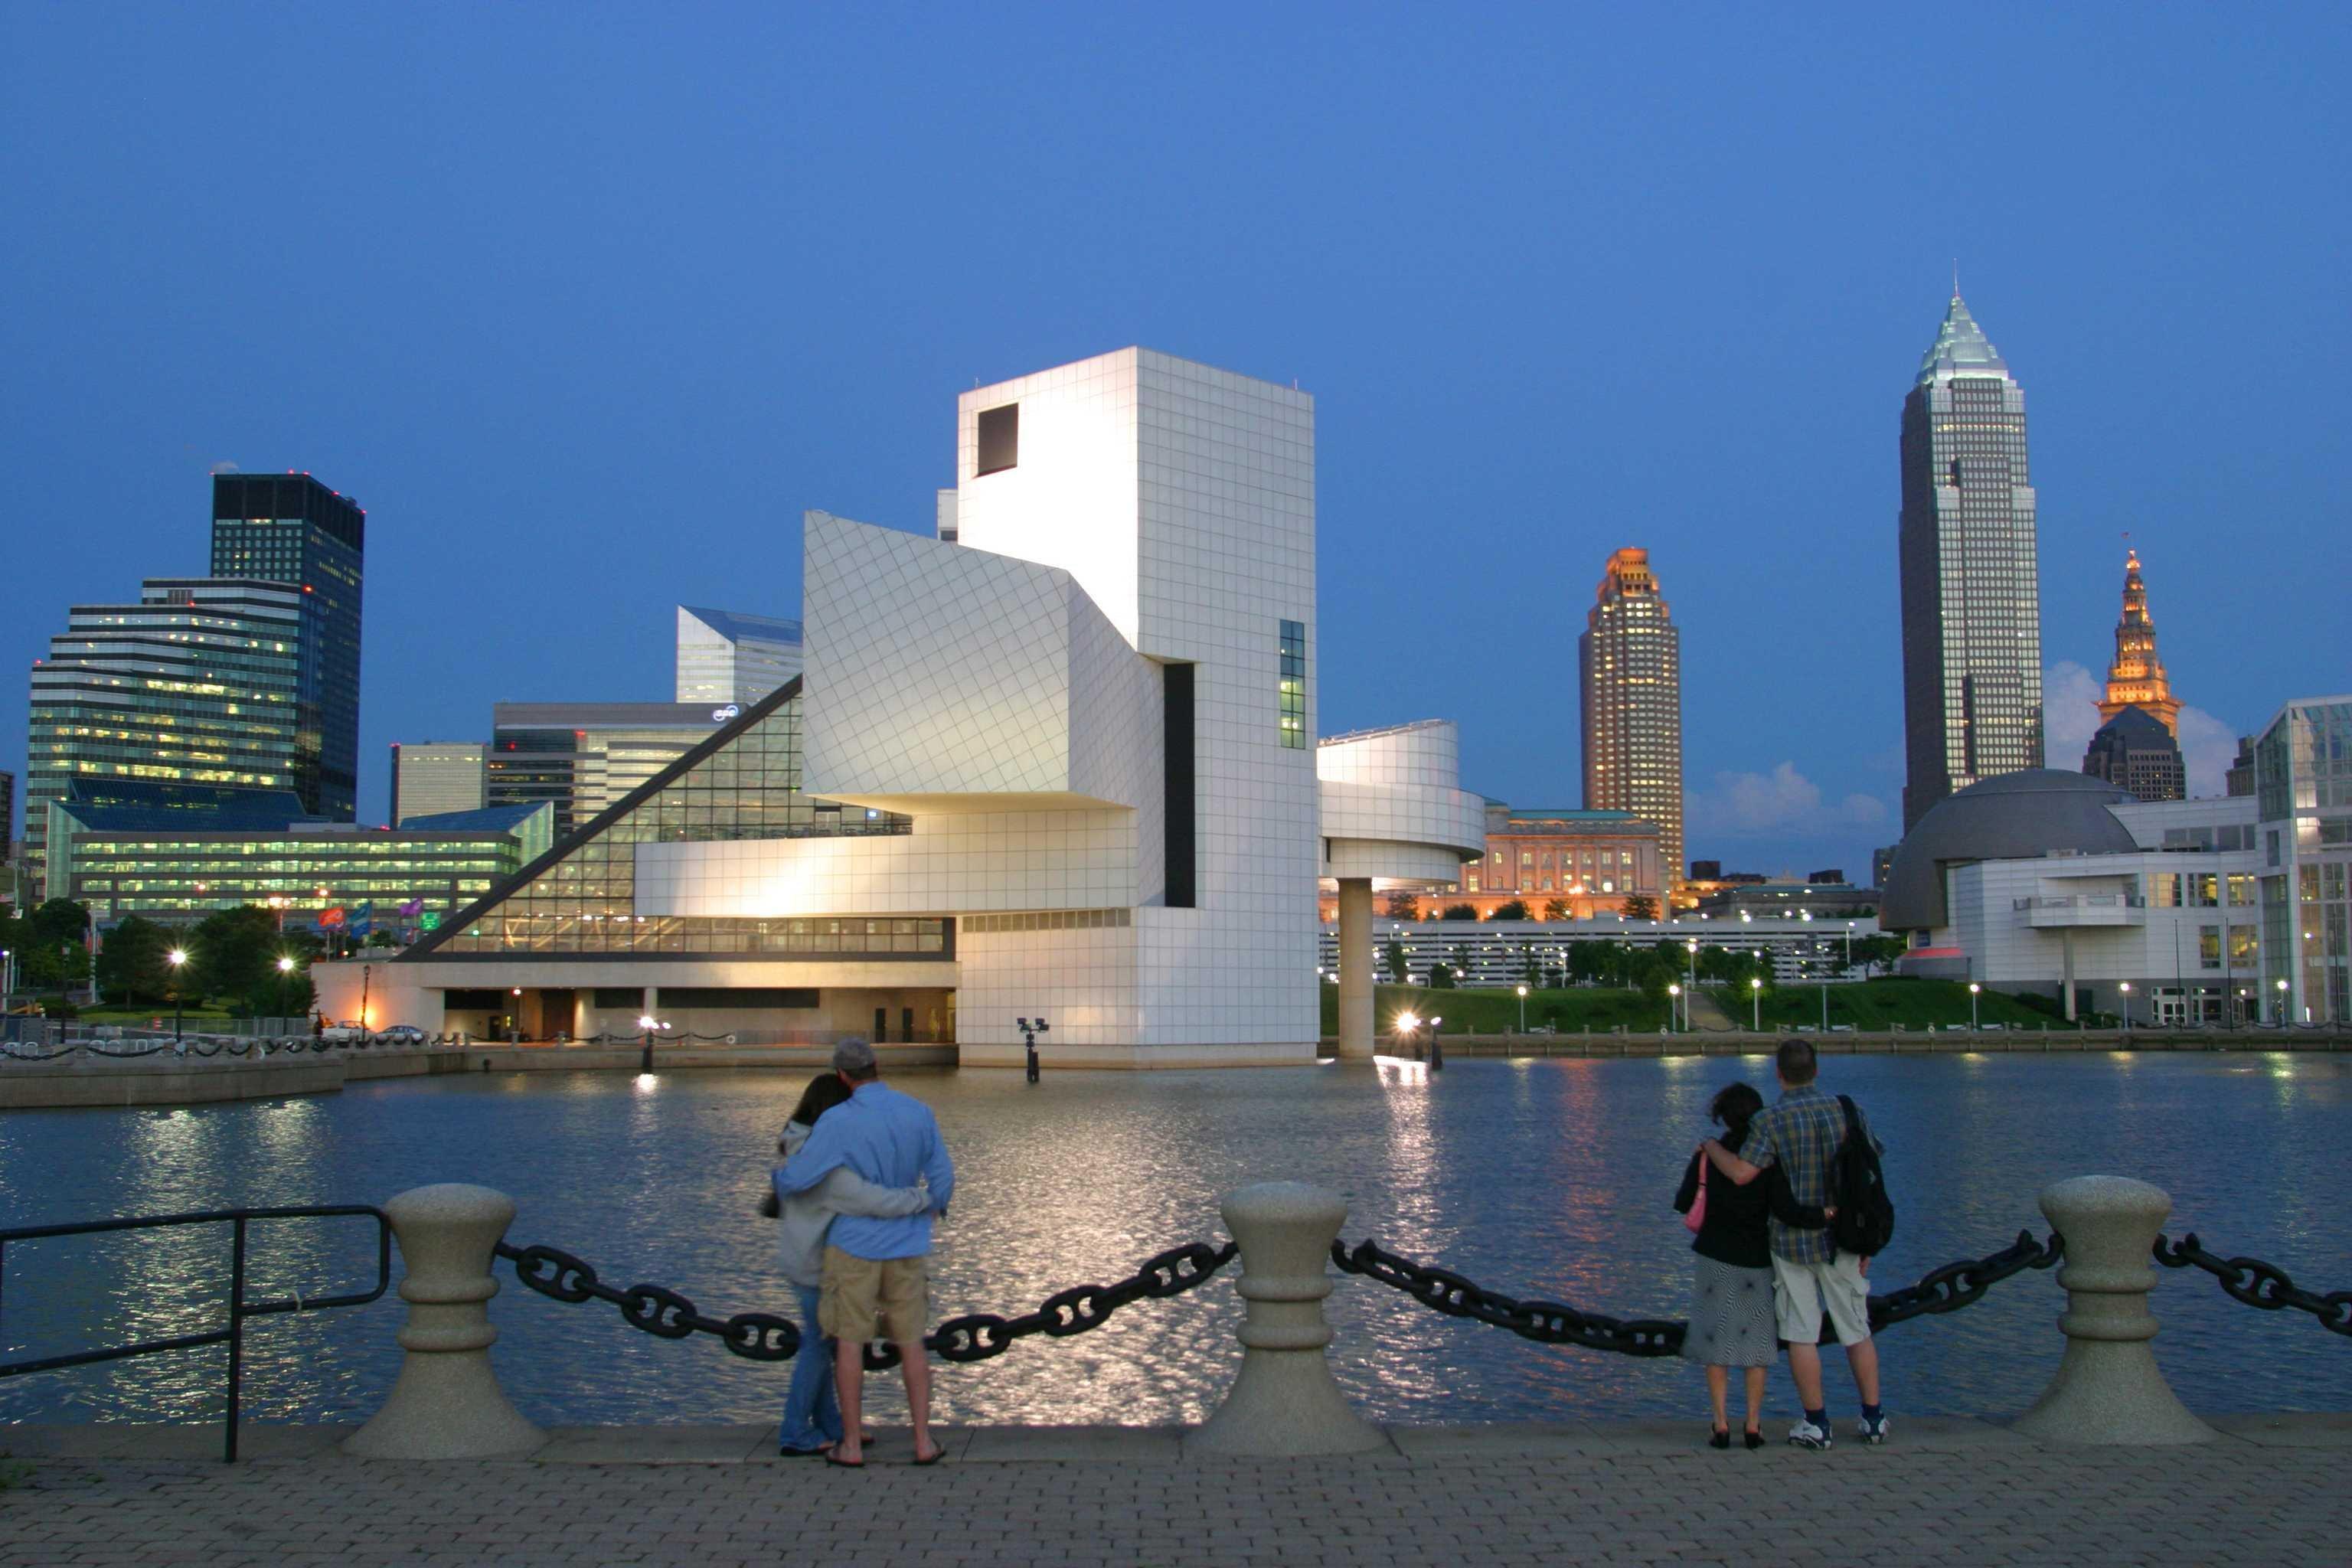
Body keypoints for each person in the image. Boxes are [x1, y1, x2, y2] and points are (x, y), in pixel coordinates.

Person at [774, 1037, 955, 1468]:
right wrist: (933, 1207)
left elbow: (799, 1177)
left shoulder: (836, 1120)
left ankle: (850, 1444)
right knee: (912, 1342)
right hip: (908, 1245)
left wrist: (779, 1180)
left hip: (853, 1246)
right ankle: (924, 1442)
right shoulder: (917, 1110)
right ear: (877, 1065)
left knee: (849, 1343)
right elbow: (943, 1174)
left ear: (842, 1075)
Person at [1701, 1038, 1886, 1449]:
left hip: (1791, 1243)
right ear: (1816, 1070)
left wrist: (1712, 1147)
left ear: (1779, 1074)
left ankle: (1817, 1423)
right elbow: (1871, 1172)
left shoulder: (1771, 1120)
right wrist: (1869, 1241)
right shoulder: (1848, 1110)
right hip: (1847, 1238)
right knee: (1857, 1328)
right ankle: (1873, 1418)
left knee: (1802, 1333)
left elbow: (1743, 1174)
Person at [1674, 1081, 1829, 1449]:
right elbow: (1784, 1208)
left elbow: (1683, 1202)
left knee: (1716, 1343)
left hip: (1714, 1253)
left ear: (1722, 1117)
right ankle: (1755, 1425)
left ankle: (1721, 1423)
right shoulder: (1768, 1157)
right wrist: (1822, 1216)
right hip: (1758, 1257)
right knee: (1757, 1344)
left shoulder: (1708, 1155)